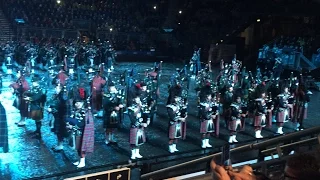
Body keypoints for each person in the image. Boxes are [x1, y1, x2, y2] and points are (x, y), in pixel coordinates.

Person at [67, 86, 94, 168]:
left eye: (79, 102)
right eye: (76, 103)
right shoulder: (75, 110)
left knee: (82, 148)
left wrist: (73, 126)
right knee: (77, 147)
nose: (77, 104)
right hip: (75, 132)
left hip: (82, 132)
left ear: (83, 103)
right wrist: (69, 123)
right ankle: (79, 160)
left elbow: (82, 123)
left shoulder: (85, 112)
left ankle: (82, 161)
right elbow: (73, 119)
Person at [23, 75, 46, 139]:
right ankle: (37, 130)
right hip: (34, 106)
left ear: (37, 82)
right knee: (36, 119)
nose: (33, 83)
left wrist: (29, 98)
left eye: (34, 82)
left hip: (38, 106)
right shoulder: (33, 88)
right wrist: (26, 94)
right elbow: (30, 93)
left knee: (38, 119)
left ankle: (39, 134)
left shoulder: (39, 89)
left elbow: (37, 97)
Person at [47, 82, 68, 151]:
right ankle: (59, 144)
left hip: (61, 117)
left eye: (57, 87)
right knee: (57, 130)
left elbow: (61, 108)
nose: (55, 88)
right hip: (57, 116)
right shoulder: (56, 95)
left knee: (59, 131)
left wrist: (52, 110)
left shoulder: (62, 97)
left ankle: (60, 145)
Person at [128, 92, 148, 160]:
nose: (138, 99)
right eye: (136, 98)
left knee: (139, 141)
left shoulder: (141, 107)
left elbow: (144, 115)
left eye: (138, 98)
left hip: (140, 126)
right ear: (133, 99)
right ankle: (133, 154)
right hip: (134, 126)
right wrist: (140, 124)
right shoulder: (131, 108)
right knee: (133, 141)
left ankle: (137, 153)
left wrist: (146, 121)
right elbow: (132, 119)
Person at [167, 86, 187, 153]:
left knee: (176, 136)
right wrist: (181, 118)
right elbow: (172, 117)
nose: (178, 99)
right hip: (173, 123)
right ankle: (170, 148)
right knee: (172, 137)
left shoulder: (179, 105)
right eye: (177, 97)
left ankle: (174, 147)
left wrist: (184, 115)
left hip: (178, 122)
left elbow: (182, 112)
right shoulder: (170, 106)